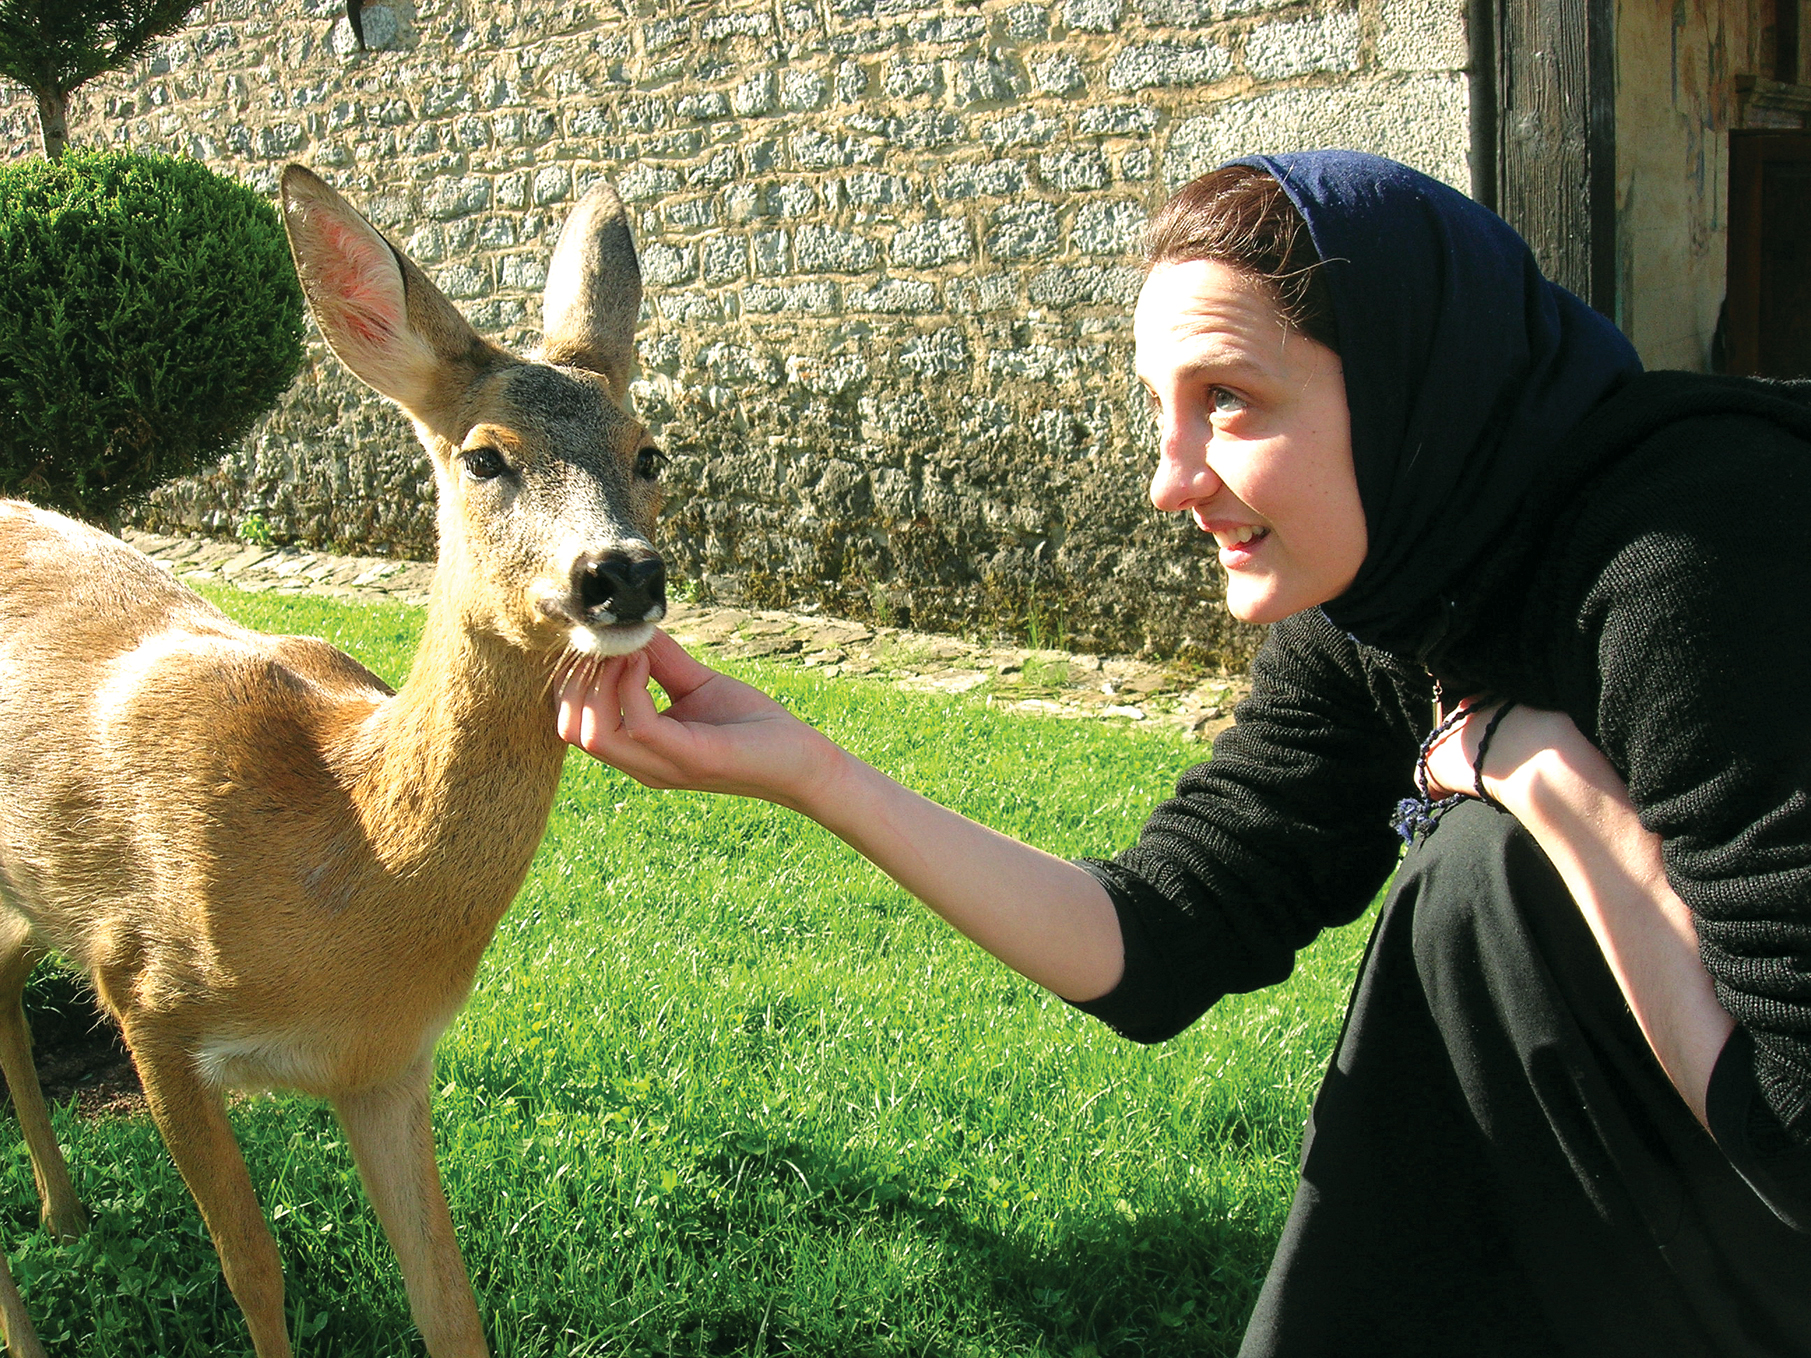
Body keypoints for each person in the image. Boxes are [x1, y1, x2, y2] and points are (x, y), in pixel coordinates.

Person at [557, 151, 1811, 1355]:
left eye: (1227, 400)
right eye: (1160, 408)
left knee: (1479, 885)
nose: (1170, 480)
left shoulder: (1691, 558)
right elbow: (1156, 938)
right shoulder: (1392, 600)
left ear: (1399, 378)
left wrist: (1543, 780)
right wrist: (813, 772)